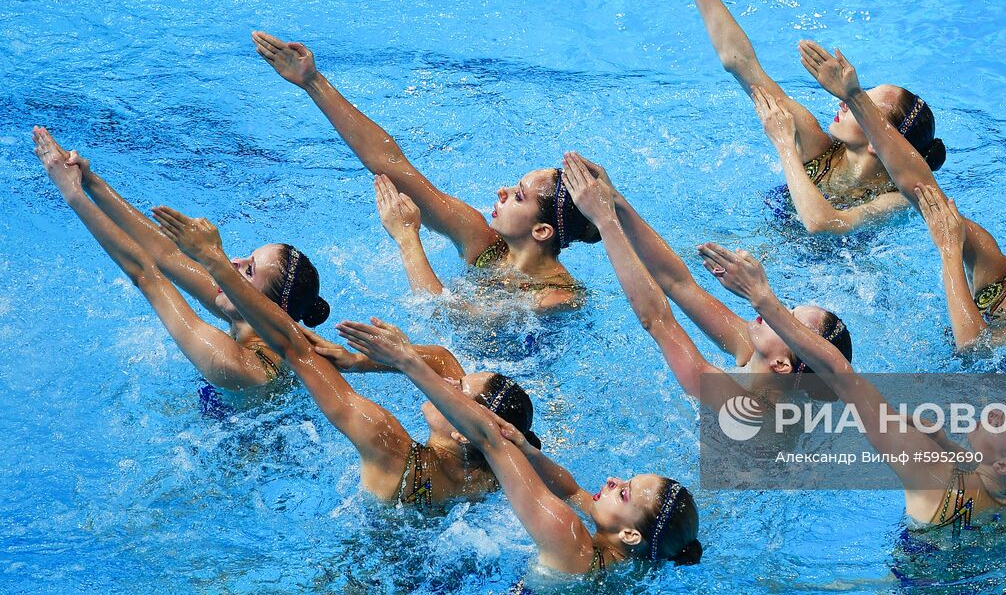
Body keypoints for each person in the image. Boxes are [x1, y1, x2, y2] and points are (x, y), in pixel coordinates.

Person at [151, 206, 540, 511]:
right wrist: (361, 362)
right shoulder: (498, 472)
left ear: (461, 430)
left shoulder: (391, 450)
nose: (451, 382)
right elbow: (443, 360)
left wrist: (217, 260)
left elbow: (295, 350)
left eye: (459, 390)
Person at [698, 241, 1006, 529]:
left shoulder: (931, 475)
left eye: (998, 422)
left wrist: (762, 298)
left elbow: (841, 376)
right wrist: (948, 445)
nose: (990, 412)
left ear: (1005, 463)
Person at [252, 31, 598, 313]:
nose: (502, 192)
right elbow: (394, 166)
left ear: (541, 230)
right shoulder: (483, 240)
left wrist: (407, 238)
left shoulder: (557, 299)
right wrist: (313, 82)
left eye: (518, 195)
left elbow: (449, 317)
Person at [801, 42, 1006, 347]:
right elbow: (922, 188)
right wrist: (855, 97)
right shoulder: (994, 267)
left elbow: (975, 347)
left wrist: (950, 254)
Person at [640, 0, 945, 235]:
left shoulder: (897, 201)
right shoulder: (818, 146)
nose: (844, 101)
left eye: (862, 103)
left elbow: (823, 224)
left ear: (878, 141)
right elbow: (742, 64)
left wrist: (785, 145)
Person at [340, 318, 703, 572]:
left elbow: (489, 441)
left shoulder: (571, 544)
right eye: (625, 479)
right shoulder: (636, 561)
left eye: (623, 493)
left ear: (630, 534)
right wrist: (529, 453)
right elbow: (570, 488)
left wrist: (407, 362)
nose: (611, 481)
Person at [32, 126, 327, 391]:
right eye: (246, 258)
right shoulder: (256, 324)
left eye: (249, 271)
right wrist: (89, 181)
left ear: (270, 307)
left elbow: (146, 276)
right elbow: (166, 254)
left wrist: (72, 195)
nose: (234, 262)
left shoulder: (240, 366)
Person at [559, 153, 853, 410]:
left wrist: (605, 221)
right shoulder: (756, 352)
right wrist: (616, 200)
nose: (777, 311)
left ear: (782, 365)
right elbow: (677, 283)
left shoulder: (753, 413)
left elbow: (657, 322)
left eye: (788, 322)